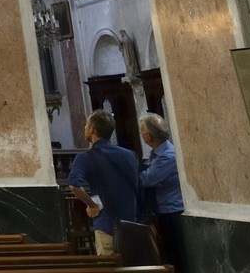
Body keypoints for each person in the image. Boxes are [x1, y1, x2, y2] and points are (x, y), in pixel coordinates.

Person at [68, 109, 141, 255]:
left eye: (86, 125)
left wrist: (92, 205)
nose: (84, 128)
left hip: (106, 223)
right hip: (133, 224)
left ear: (93, 130)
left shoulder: (86, 157)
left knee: (109, 265)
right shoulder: (130, 155)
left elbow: (74, 185)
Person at [140, 113, 185, 270]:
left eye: (142, 130)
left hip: (171, 212)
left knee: (174, 256)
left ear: (150, 135)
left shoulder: (168, 156)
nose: (141, 132)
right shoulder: (156, 154)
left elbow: (147, 180)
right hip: (162, 211)